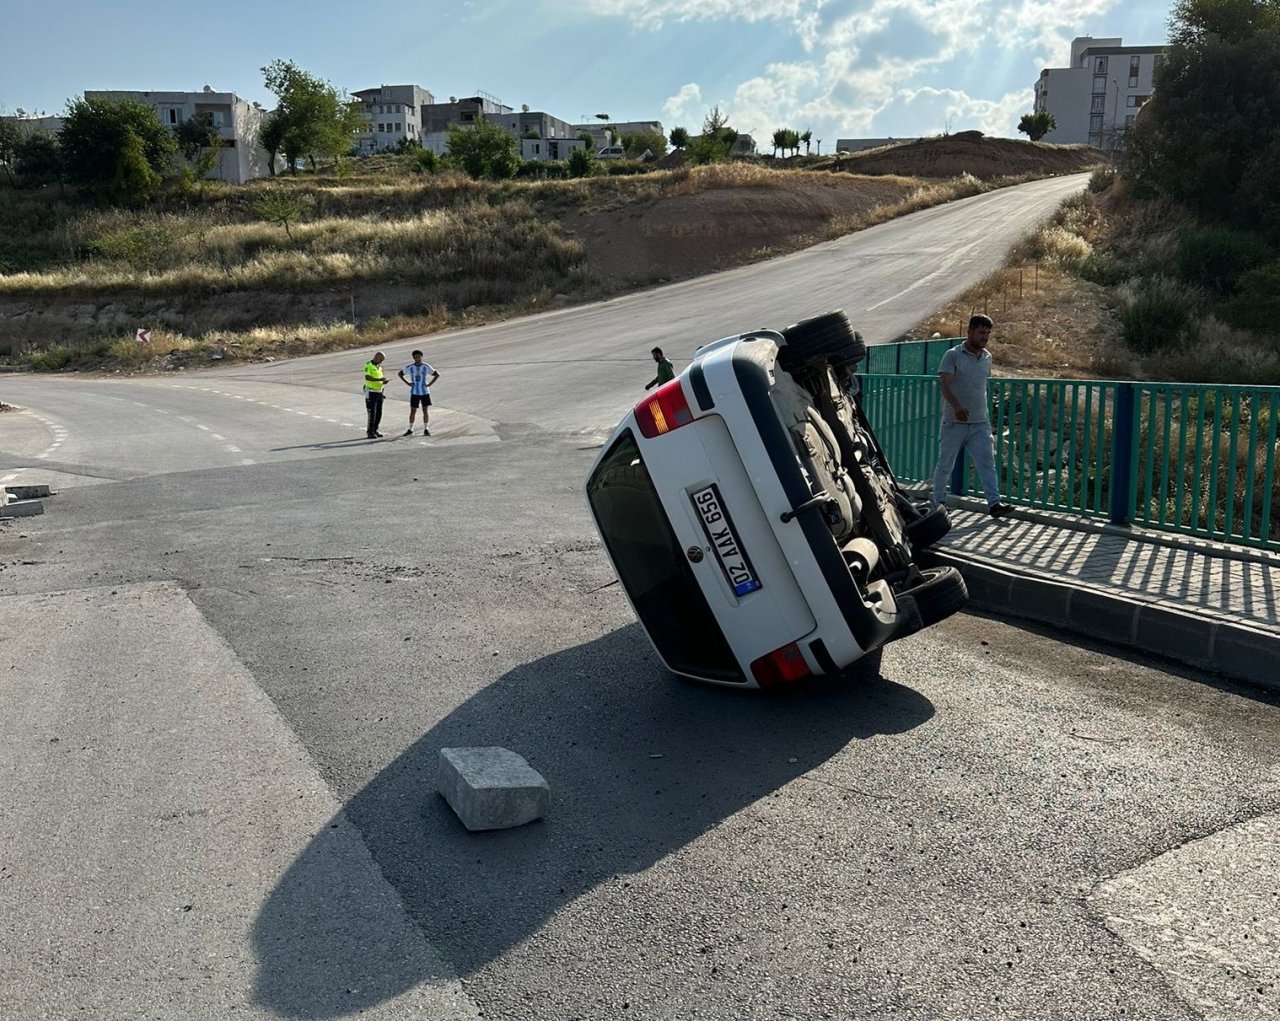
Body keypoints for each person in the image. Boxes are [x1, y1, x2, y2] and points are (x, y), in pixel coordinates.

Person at [931, 315, 1014, 518]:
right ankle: (938, 503)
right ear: (969, 332)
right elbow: (945, 383)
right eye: (980, 333)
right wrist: (957, 407)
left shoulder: (987, 357)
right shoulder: (952, 355)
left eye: (987, 333)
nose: (984, 337)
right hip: (955, 422)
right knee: (945, 464)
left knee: (987, 463)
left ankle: (994, 504)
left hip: (979, 422)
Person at [397, 350, 440, 436]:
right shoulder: (410, 367)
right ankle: (410, 429)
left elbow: (437, 374)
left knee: (425, 410)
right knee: (413, 411)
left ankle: (426, 428)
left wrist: (429, 384)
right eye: (415, 357)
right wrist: (408, 383)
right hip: (415, 392)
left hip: (424, 392)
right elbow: (400, 374)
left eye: (419, 357)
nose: (417, 359)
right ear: (413, 358)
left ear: (422, 357)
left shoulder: (426, 366)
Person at [363, 351, 389, 438]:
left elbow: (380, 378)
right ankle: (370, 432)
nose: (381, 361)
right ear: (376, 357)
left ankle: (375, 430)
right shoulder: (368, 365)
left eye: (382, 360)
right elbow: (367, 377)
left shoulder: (379, 367)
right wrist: (379, 379)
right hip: (371, 392)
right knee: (372, 413)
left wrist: (383, 381)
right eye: (381, 359)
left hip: (379, 391)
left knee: (379, 413)